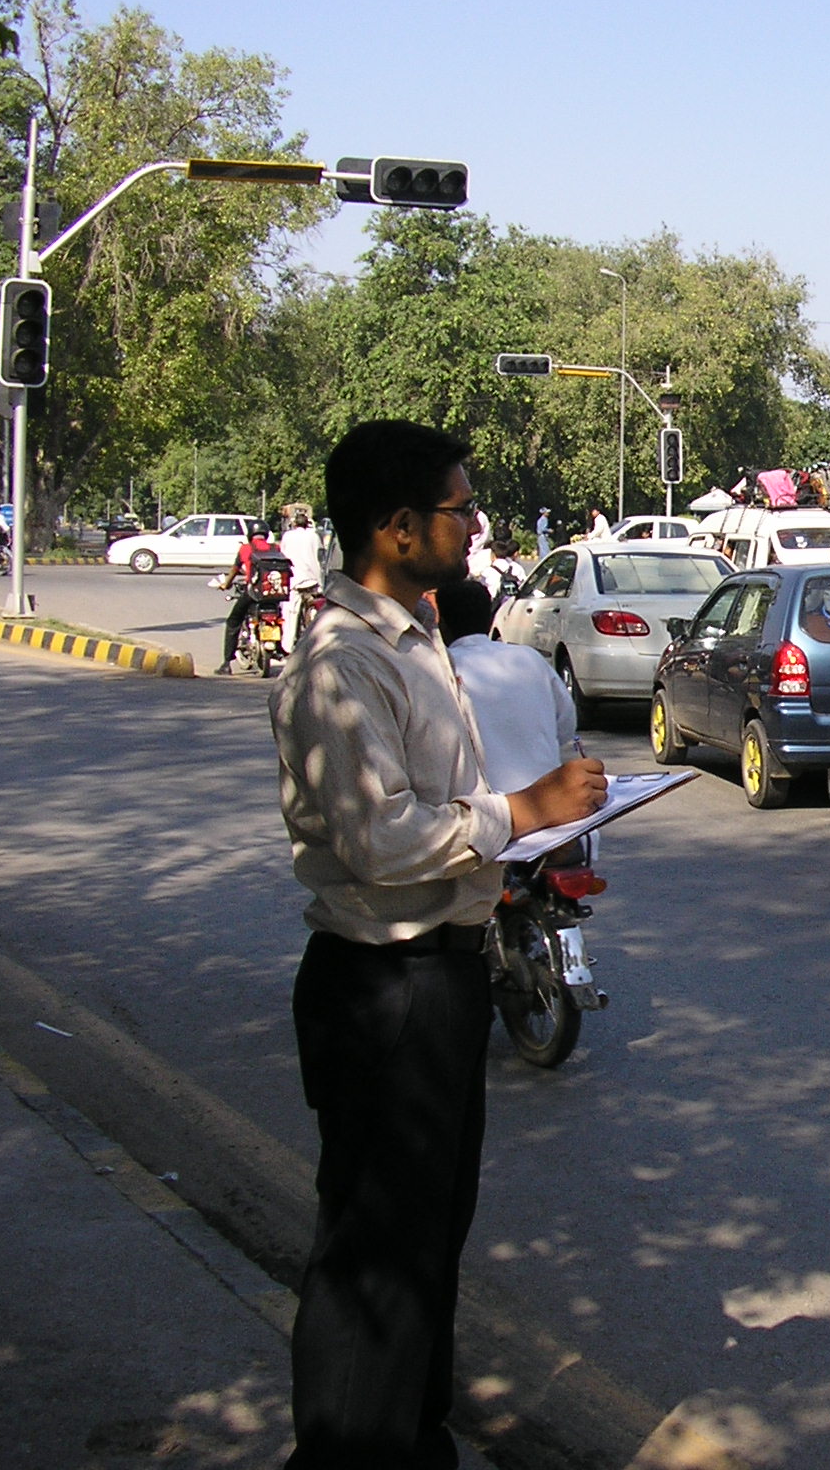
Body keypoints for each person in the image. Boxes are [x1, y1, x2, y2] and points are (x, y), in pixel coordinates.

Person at [269, 420, 605, 1468]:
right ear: (397, 527)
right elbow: (379, 839)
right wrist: (523, 811)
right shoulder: (341, 665)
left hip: (445, 976)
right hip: (385, 984)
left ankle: (410, 1441)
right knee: (375, 1255)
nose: (475, 526)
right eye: (460, 509)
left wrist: (535, 812)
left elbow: (442, 802)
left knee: (425, 1242)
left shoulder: (417, 640)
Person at [433, 581, 573, 793]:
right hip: (548, 794)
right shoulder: (529, 658)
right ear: (491, 619)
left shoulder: (441, 670)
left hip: (484, 802)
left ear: (441, 623)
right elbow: (566, 725)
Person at [214, 523, 278, 676]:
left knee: (233, 621)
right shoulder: (275, 548)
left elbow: (235, 569)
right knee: (278, 617)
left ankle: (226, 664)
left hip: (253, 592)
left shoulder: (245, 549)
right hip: (273, 594)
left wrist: (226, 584)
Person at [280, 506, 324, 646]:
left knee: (290, 614)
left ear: (294, 524)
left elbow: (283, 554)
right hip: (312, 580)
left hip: (294, 581)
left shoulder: (288, 536)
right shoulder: (314, 536)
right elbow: (320, 556)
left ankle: (287, 646)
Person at [481, 534, 530, 602]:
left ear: (493, 555)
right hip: (512, 603)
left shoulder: (487, 572)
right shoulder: (517, 568)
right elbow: (524, 585)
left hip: (494, 603)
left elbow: (483, 590)